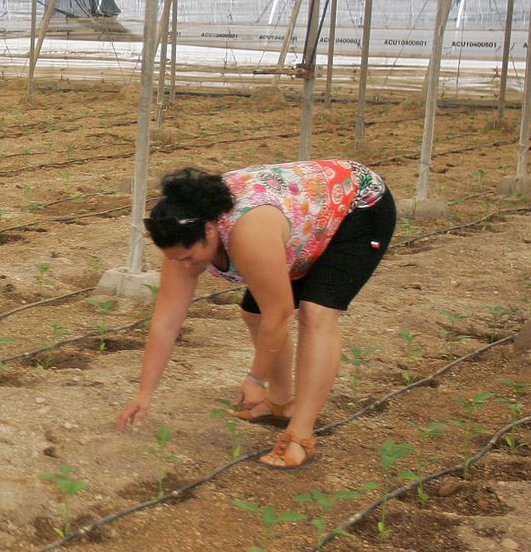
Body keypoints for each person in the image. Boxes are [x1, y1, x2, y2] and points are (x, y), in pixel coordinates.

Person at [115, 160, 397, 469]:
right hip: (304, 219)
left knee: (315, 314)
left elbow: (280, 315)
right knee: (253, 313)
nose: (184, 265)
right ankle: (280, 403)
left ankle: (300, 436)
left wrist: (255, 378)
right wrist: (144, 393)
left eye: (189, 257)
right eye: (175, 259)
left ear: (210, 230)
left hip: (358, 206)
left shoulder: (247, 233)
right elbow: (166, 323)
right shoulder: (182, 237)